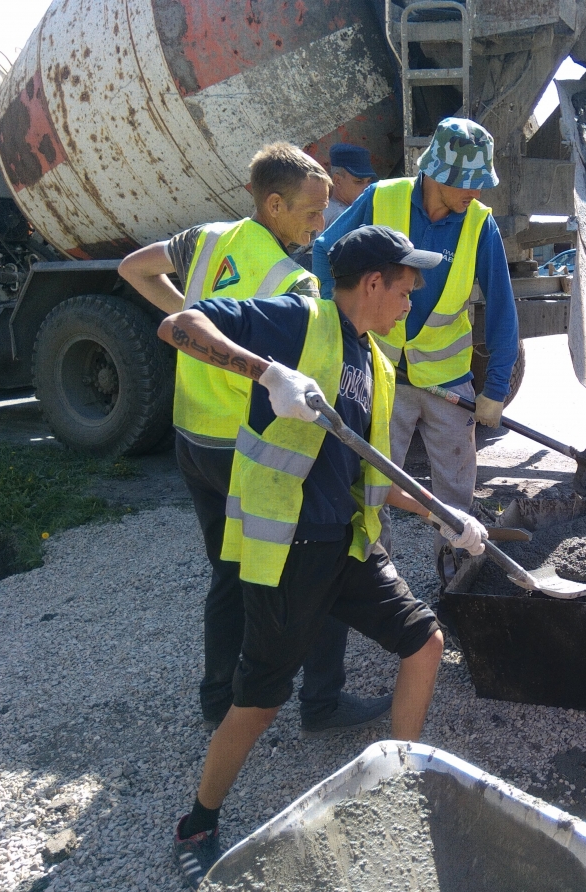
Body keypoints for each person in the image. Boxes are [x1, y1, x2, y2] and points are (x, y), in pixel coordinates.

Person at [164, 224, 488, 887]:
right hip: (288, 553)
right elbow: (179, 325)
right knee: (259, 702)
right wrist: (266, 372)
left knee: (425, 645)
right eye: (405, 290)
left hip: (348, 546)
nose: (410, 304)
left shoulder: (377, 361)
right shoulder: (296, 322)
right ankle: (198, 819)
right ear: (373, 283)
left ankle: (399, 784)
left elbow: (368, 473)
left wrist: (447, 517)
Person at [118, 144, 391, 739]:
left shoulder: (207, 239)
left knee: (228, 571)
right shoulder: (293, 282)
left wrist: (193, 309)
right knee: (316, 563)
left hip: (191, 436)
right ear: (274, 203)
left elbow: (133, 268)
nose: (321, 223)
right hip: (245, 445)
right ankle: (322, 700)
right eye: (312, 210)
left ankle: (218, 700)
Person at [311, 117, 519, 577]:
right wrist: (343, 329)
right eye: (467, 183)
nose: (475, 194)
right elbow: (326, 251)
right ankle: (373, 579)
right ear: (437, 173)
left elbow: (502, 308)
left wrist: (495, 390)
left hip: (448, 383)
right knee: (371, 484)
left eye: (480, 184)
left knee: (455, 496)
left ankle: (456, 580)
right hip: (381, 376)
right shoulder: (381, 198)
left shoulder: (479, 225)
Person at [326, 143, 378, 226]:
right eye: (358, 181)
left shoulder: (326, 206)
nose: (367, 187)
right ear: (337, 180)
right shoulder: (341, 217)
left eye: (369, 181)